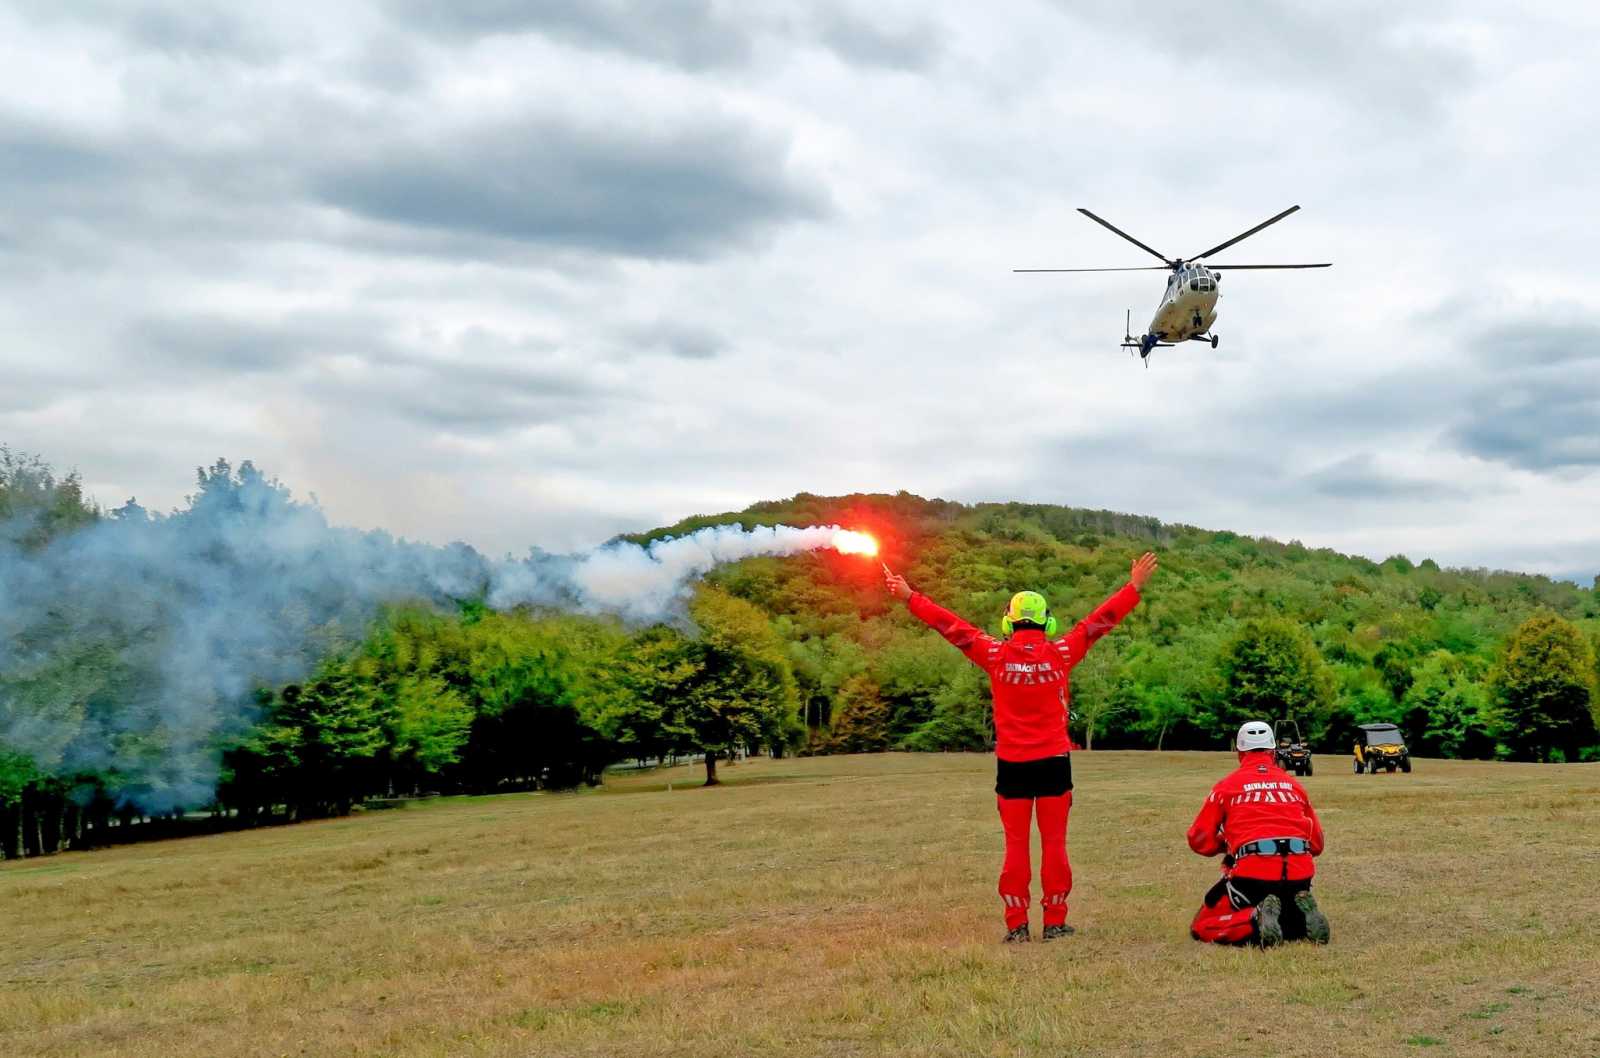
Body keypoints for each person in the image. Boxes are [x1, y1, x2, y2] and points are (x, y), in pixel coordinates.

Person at [883, 552, 1158, 942]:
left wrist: (910, 596)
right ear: (1047, 621)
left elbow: (951, 627)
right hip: (1054, 763)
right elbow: (1099, 623)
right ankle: (1056, 920)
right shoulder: (1061, 653)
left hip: (1012, 765)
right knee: (1055, 844)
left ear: (1009, 621)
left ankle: (1017, 926)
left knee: (1015, 846)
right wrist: (1133, 588)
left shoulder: (994, 654)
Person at [1187, 720, 1331, 947]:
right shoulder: (1293, 785)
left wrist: (1226, 844)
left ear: (1239, 752)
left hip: (1254, 872)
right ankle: (1300, 921)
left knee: (1203, 924)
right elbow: (1317, 844)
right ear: (1273, 751)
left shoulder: (1227, 786)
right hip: (1299, 873)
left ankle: (1254, 919)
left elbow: (1198, 839)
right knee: (1285, 916)